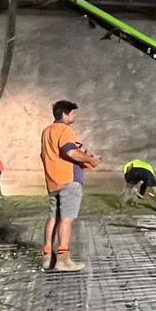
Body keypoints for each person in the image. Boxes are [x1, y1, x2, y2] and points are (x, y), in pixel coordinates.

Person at [40, 100, 99, 273]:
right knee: (66, 219)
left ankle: (47, 256)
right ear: (65, 114)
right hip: (68, 180)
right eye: (73, 113)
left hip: (53, 180)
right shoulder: (66, 130)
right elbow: (70, 152)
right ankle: (63, 259)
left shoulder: (46, 131)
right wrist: (91, 160)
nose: (75, 116)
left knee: (53, 218)